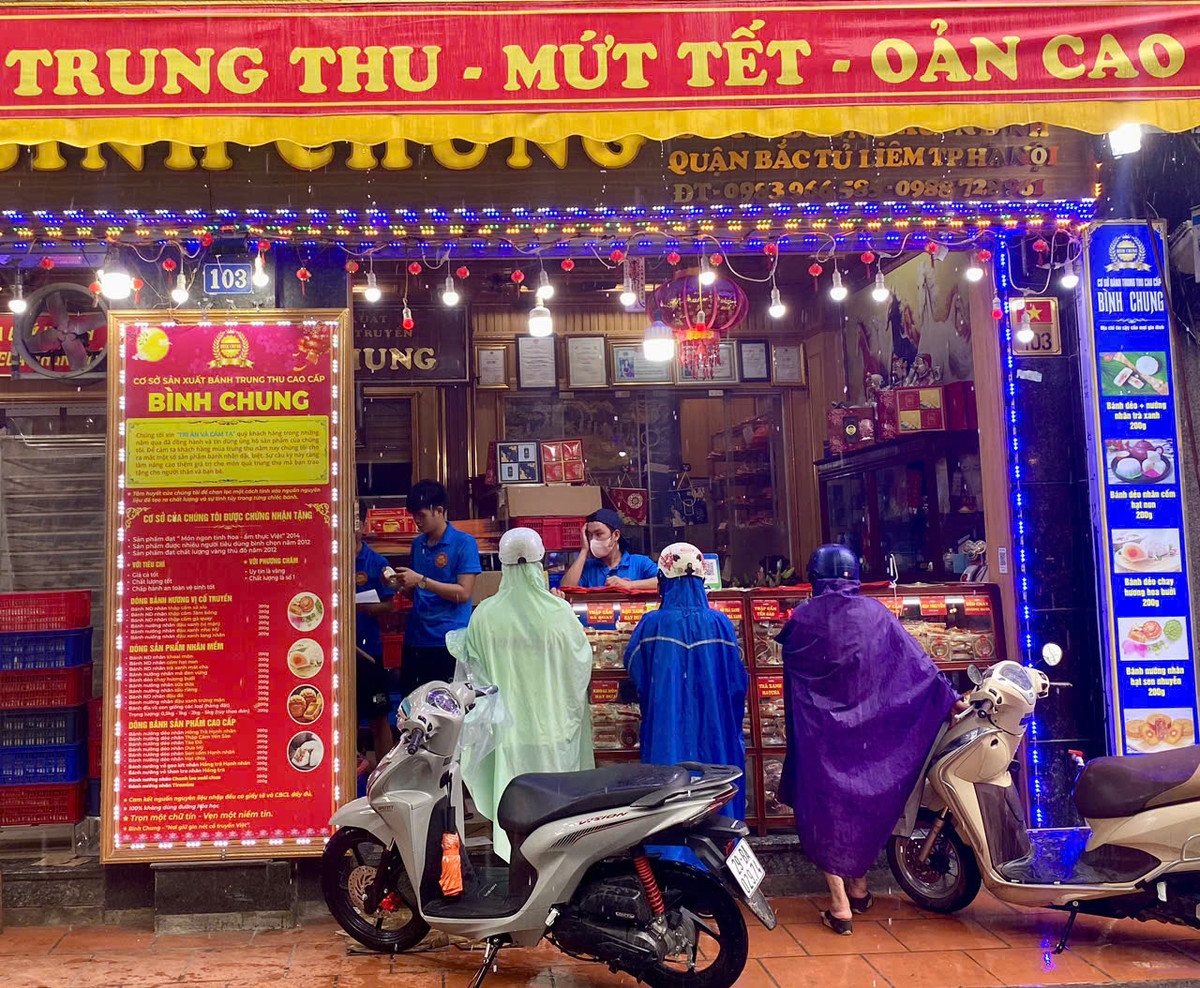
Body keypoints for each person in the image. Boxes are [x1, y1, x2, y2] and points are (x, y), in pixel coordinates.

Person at [777, 544, 964, 935]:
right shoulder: (876, 614)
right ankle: (859, 889)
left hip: (819, 737)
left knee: (824, 811)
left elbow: (791, 664)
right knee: (858, 807)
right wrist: (948, 699)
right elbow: (916, 665)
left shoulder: (803, 618)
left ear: (815, 578)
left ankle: (840, 905)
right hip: (866, 732)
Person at [453, 527, 594, 862]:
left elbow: (474, 679)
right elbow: (581, 666)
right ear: (538, 563)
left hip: (509, 738)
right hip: (555, 733)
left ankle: (514, 867)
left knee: (512, 809)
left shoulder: (484, 614)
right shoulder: (559, 612)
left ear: (503, 565)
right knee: (557, 810)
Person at [624, 543, 748, 836]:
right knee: (717, 785)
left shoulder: (651, 624)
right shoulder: (720, 624)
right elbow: (737, 683)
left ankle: (670, 853)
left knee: (668, 791)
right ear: (702, 579)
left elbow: (635, 670)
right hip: (716, 729)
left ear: (662, 580)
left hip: (665, 729)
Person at [392, 481, 481, 698]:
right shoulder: (418, 545)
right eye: (414, 515)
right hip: (416, 638)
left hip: (449, 641)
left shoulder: (464, 543)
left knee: (447, 707)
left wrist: (421, 580)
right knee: (412, 704)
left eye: (421, 515)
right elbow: (419, 594)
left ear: (439, 511)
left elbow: (464, 593)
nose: (416, 521)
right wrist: (399, 586)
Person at [354, 502, 397, 770]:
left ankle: (385, 775)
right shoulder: (328, 557)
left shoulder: (377, 563)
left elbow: (390, 605)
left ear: (362, 525)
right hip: (337, 652)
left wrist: (368, 608)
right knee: (345, 717)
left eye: (355, 522)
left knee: (379, 716)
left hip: (369, 651)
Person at [562, 508, 658, 590]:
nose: (593, 540)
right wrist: (584, 551)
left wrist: (629, 585)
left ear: (616, 535)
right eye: (590, 535)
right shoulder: (587, 567)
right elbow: (565, 590)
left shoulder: (640, 563)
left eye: (598, 534)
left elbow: (663, 582)